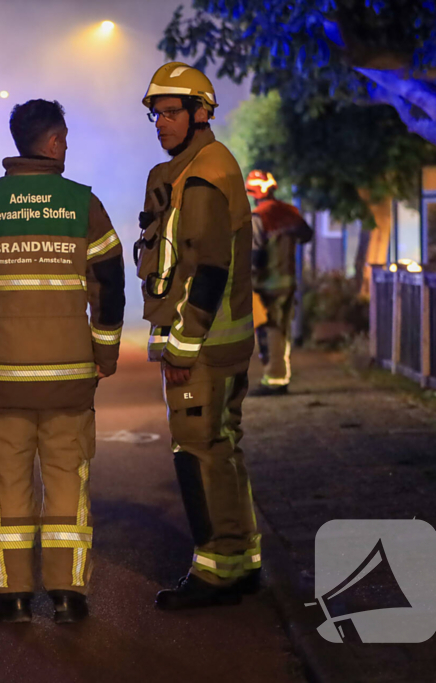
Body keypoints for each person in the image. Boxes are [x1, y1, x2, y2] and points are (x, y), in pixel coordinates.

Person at [0, 99, 125, 624]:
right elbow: (109, 285)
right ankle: (69, 595)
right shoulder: (83, 205)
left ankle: (12, 595)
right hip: (70, 375)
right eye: (64, 139)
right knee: (69, 478)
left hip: (1, 377)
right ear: (50, 143)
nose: (66, 148)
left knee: (7, 481)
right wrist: (105, 352)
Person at [134, 63, 261, 609]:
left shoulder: (204, 175)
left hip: (203, 348)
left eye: (170, 112)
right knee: (224, 449)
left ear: (200, 113)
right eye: (155, 114)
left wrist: (183, 345)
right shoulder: (194, 167)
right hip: (221, 343)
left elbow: (206, 269)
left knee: (198, 452)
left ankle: (215, 574)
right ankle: (240, 559)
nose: (160, 123)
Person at [245, 170, 313, 395]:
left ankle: (274, 379)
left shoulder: (258, 216)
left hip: (267, 284)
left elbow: (255, 254)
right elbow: (306, 234)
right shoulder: (289, 212)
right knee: (282, 330)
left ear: (253, 192)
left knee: (269, 330)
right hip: (289, 280)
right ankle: (281, 376)